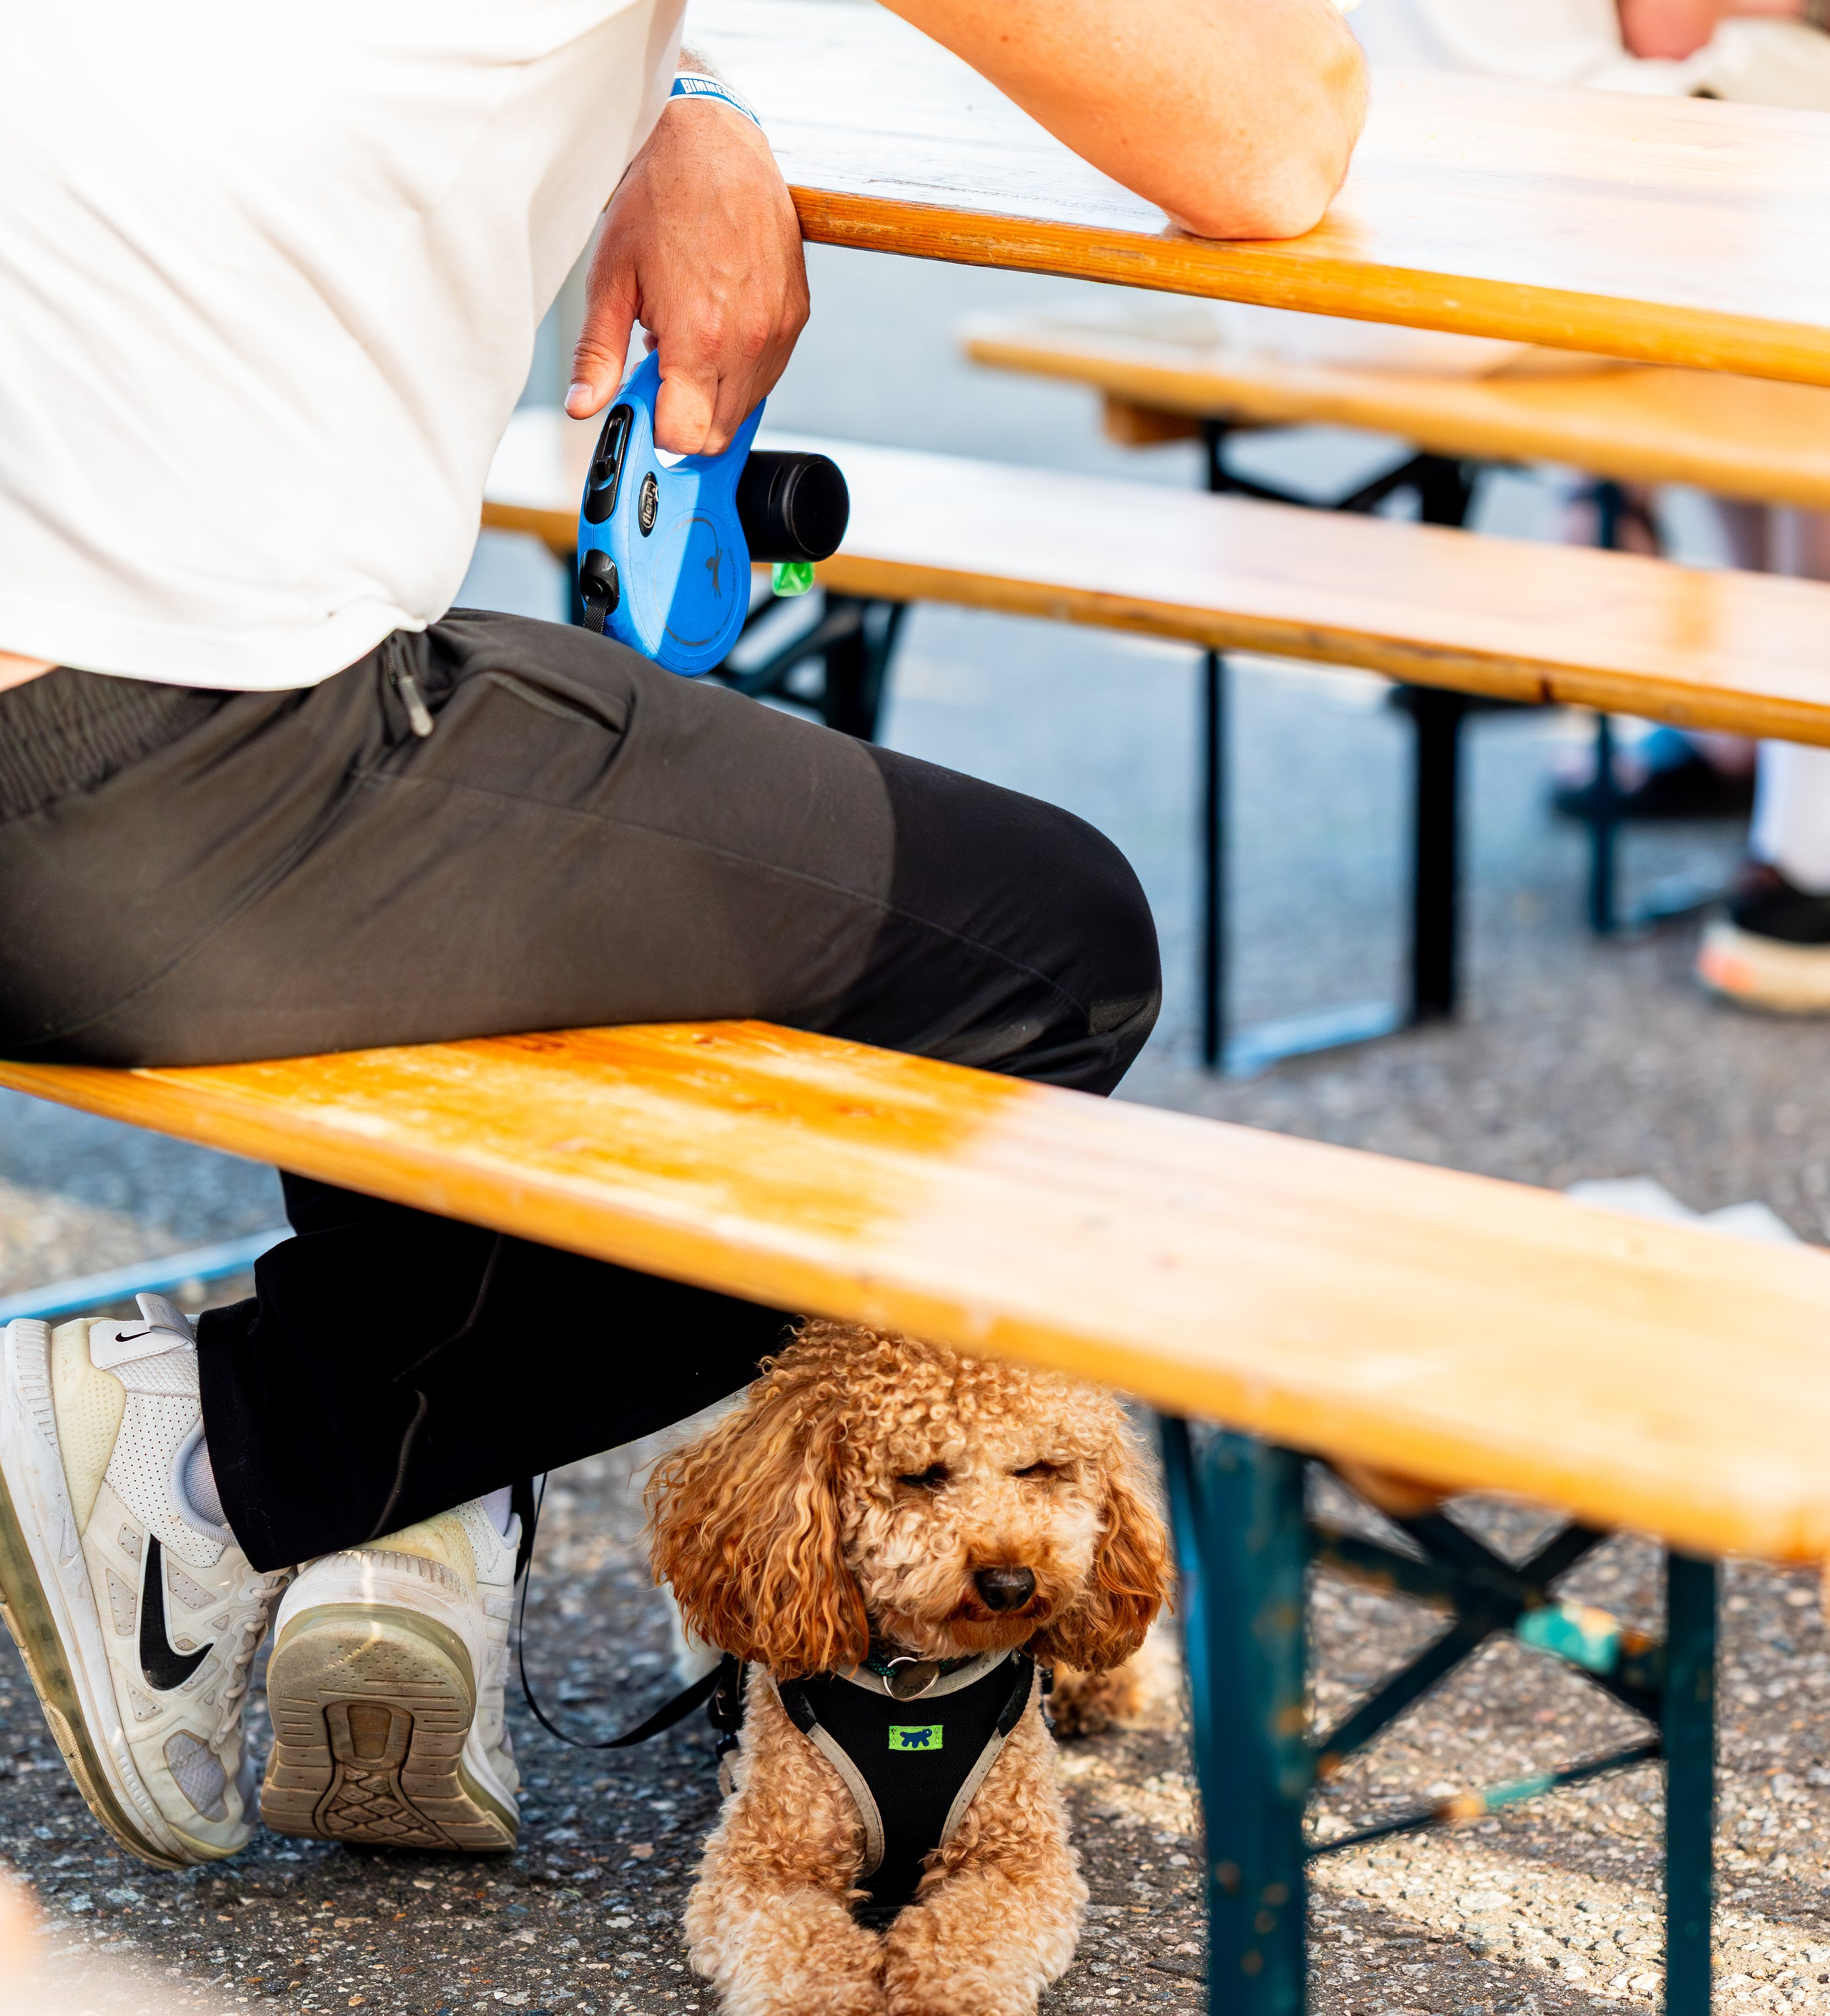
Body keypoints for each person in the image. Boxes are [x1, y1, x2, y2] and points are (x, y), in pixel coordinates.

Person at [0, 0, 1366, 1871]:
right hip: (125, 789)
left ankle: (406, 1514)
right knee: (1049, 956)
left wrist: (681, 84)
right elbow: (1273, 135)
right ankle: (221, 1454)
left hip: (121, 713)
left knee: (577, 818)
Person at [1352, 0, 1830, 1013]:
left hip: (1383, 207)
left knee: (1759, 251)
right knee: (1781, 213)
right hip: (1519, 228)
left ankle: (1741, 718)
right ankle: (1813, 832)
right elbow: (1674, 29)